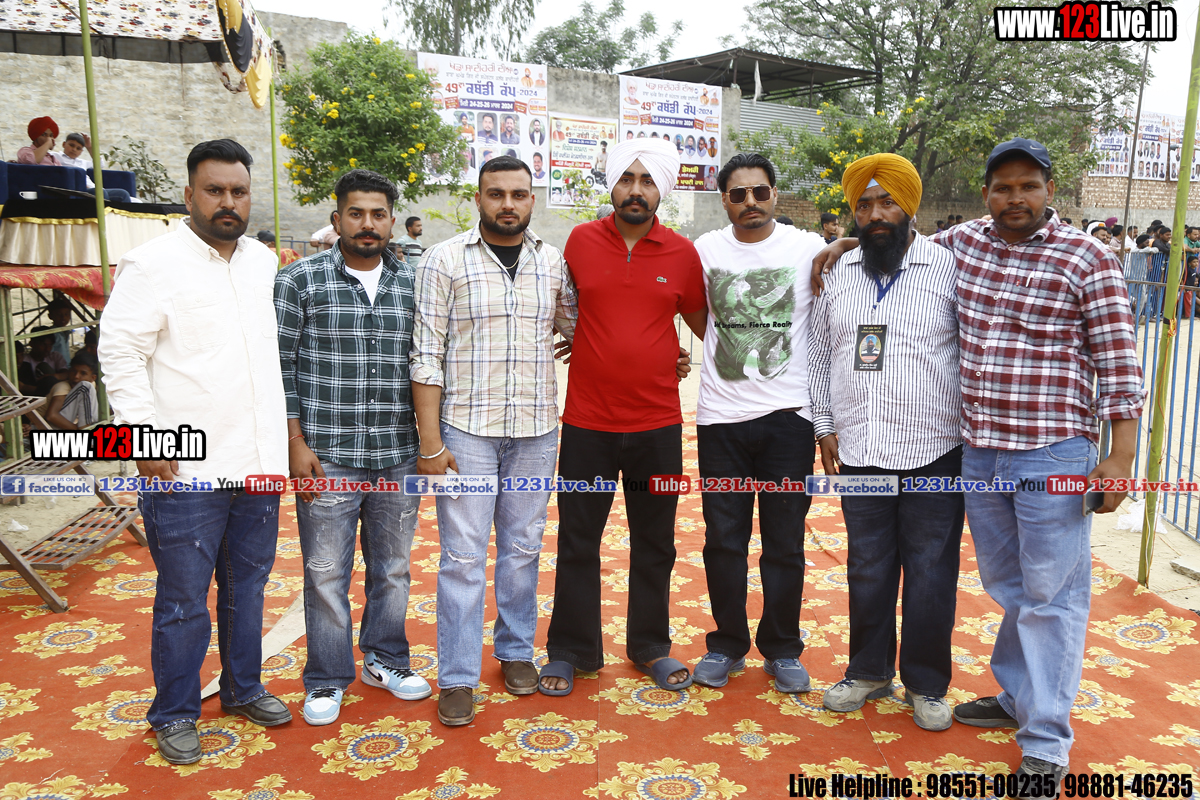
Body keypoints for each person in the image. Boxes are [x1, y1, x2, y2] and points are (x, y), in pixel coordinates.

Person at [814, 137, 1143, 780]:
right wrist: (849, 241)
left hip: (1052, 452)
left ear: (1050, 190)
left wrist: (1121, 453)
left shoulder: (1088, 257)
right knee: (1011, 588)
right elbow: (890, 234)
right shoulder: (966, 245)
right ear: (986, 195)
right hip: (983, 453)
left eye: (1028, 186)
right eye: (1002, 188)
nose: (1015, 198)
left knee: (1050, 596)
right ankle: (1016, 695)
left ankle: (1044, 742)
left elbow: (1118, 360)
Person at [98, 139, 291, 765]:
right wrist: (141, 436)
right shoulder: (151, 264)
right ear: (189, 195)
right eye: (215, 191)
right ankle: (175, 713)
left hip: (256, 463)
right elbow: (119, 354)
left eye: (238, 191)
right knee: (183, 600)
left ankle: (243, 688)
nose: (227, 202)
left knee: (248, 588)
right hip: (184, 467)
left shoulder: (262, 261)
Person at [410, 156, 579, 727]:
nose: (508, 204)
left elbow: (581, 328)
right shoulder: (443, 259)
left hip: (536, 429)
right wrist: (430, 443)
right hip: (467, 432)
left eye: (519, 194)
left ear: (532, 199)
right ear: (478, 197)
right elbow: (426, 354)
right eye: (496, 193)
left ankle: (514, 652)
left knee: (523, 548)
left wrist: (661, 352)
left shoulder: (552, 262)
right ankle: (457, 676)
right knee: (462, 557)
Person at [539, 137, 706, 697]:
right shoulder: (581, 241)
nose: (636, 190)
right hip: (587, 424)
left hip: (658, 425)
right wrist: (582, 338)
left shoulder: (682, 254)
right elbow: (565, 307)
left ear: (663, 189)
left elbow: (707, 327)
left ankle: (650, 646)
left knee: (655, 542)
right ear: (612, 185)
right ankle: (571, 650)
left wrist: (673, 355)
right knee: (577, 540)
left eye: (647, 181)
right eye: (627, 179)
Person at [809, 153, 963, 732]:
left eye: (887, 202)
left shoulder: (948, 267)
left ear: (910, 207)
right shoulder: (836, 272)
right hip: (861, 450)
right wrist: (824, 425)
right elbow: (819, 354)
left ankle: (926, 683)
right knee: (868, 566)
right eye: (864, 205)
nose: (875, 215)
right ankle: (869, 671)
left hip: (936, 450)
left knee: (931, 570)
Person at [276, 169, 430, 727]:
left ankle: (385, 661)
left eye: (378, 214)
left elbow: (428, 362)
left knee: (393, 569)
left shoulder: (414, 283)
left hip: (397, 451)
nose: (368, 224)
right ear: (336, 219)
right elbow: (281, 368)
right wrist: (295, 441)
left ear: (392, 221)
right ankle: (326, 677)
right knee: (325, 573)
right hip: (327, 453)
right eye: (356, 213)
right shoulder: (299, 281)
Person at [687, 153, 824, 694]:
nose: (751, 202)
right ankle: (726, 643)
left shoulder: (806, 247)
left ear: (774, 195)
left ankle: (783, 648)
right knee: (724, 540)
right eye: (739, 194)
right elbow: (694, 313)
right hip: (721, 421)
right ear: (724, 199)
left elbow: (851, 254)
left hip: (789, 422)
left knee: (784, 542)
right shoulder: (705, 250)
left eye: (760, 192)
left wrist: (842, 242)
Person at [55, 131, 133, 202]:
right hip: (79, 190)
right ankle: (104, 213)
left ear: (81, 152)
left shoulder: (82, 162)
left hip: (93, 189)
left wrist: (89, 147)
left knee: (123, 194)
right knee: (101, 193)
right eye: (71, 145)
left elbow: (100, 164)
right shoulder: (55, 156)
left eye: (78, 148)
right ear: (64, 144)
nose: (74, 149)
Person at [44, 350, 99, 430]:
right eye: (73, 371)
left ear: (93, 378)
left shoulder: (91, 384)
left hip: (64, 426)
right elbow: (51, 416)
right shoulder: (62, 387)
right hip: (45, 427)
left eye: (83, 373)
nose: (76, 376)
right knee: (85, 386)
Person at [21, 326, 68, 396]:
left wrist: (52, 376)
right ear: (32, 344)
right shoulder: (24, 361)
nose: (47, 349)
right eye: (43, 345)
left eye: (50, 345)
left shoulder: (55, 356)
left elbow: (67, 374)